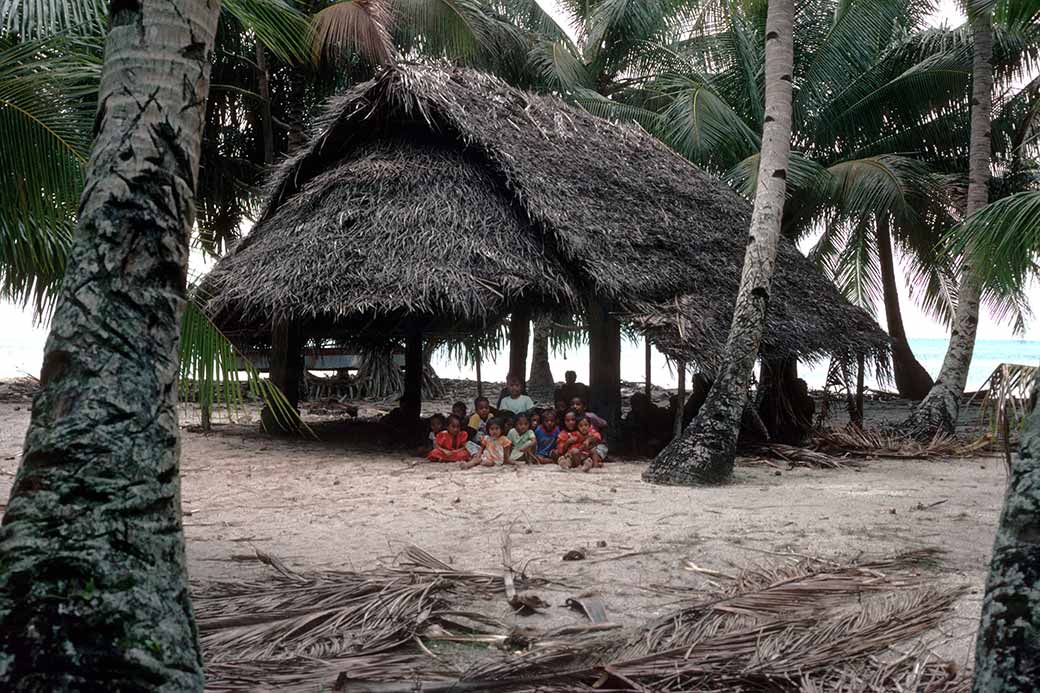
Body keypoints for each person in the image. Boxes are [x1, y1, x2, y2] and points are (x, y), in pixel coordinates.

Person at [570, 398, 609, 464]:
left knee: (596, 452)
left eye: (578, 404)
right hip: (582, 445)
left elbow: (604, 424)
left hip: (596, 443)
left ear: (584, 407)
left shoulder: (591, 416)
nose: (575, 406)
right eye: (572, 404)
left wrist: (603, 439)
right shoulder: (571, 418)